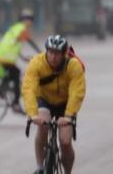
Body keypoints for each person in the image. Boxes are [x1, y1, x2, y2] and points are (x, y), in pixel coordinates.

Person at [22, 34, 86, 174]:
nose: (53, 57)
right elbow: (28, 88)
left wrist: (69, 116)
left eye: (57, 53)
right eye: (50, 52)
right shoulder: (36, 62)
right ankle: (40, 167)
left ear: (64, 54)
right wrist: (33, 114)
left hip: (65, 104)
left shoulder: (73, 65)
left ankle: (67, 172)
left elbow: (77, 92)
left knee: (65, 141)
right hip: (44, 99)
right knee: (42, 126)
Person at [0, 9, 38, 108]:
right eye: (30, 19)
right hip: (6, 57)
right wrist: (41, 53)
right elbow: (31, 42)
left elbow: (13, 45)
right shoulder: (22, 29)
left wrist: (23, 57)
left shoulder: (15, 28)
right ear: (25, 20)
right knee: (16, 73)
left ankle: (1, 87)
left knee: (13, 74)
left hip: (2, 56)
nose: (31, 22)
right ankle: (15, 103)